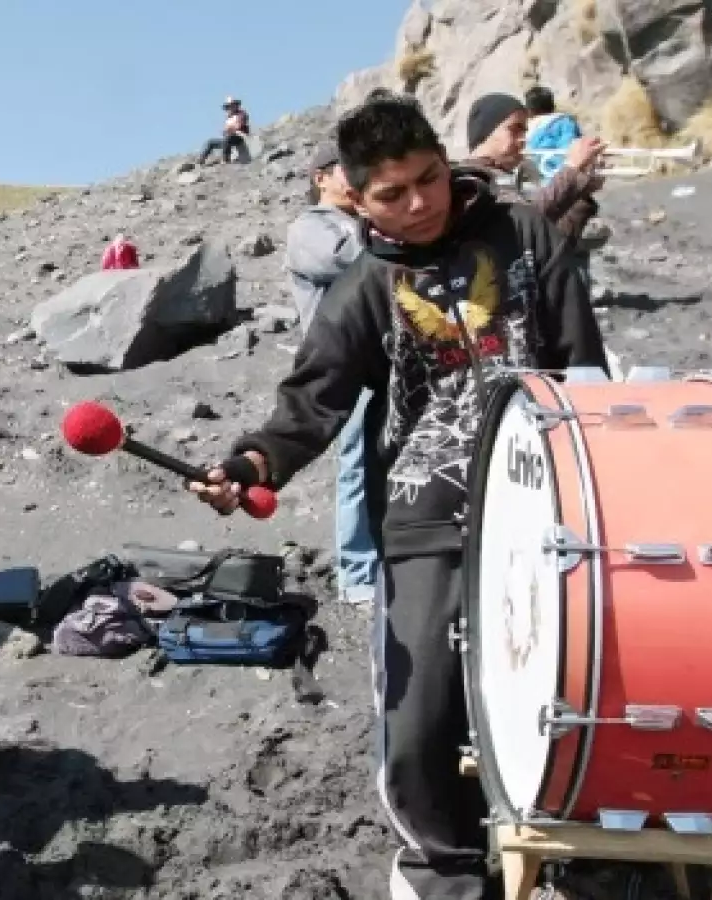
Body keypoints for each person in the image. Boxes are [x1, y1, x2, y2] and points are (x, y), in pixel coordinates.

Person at [190, 96, 607, 899]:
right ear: (355, 195)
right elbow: (308, 405)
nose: (419, 202)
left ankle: (573, 853)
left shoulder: (524, 236)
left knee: (567, 696)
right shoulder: (363, 285)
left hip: (549, 513)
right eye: (392, 193)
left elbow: (583, 370)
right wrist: (249, 467)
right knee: (417, 727)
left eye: (428, 178)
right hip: (424, 525)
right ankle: (441, 872)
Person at [282, 142, 377, 606]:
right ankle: (358, 574)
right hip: (345, 365)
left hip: (386, 361)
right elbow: (351, 260)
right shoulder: (309, 228)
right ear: (321, 176)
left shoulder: (359, 222)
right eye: (350, 170)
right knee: (357, 464)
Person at [459, 91, 606, 251]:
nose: (524, 139)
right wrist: (571, 169)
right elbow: (524, 224)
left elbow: (549, 236)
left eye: (524, 131)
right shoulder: (470, 180)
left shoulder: (504, 177)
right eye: (515, 129)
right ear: (486, 132)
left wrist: (582, 192)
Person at [523, 85, 584, 185]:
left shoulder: (525, 127)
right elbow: (568, 148)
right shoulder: (565, 122)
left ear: (529, 108)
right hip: (557, 179)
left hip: (539, 180)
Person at [197, 96, 252, 165]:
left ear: (236, 105)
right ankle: (201, 159)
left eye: (232, 105)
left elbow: (240, 125)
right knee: (211, 142)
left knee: (229, 138)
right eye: (229, 106)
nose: (230, 108)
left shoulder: (241, 114)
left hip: (239, 136)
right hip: (229, 138)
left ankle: (226, 160)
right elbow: (226, 130)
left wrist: (232, 129)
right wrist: (226, 131)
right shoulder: (228, 118)